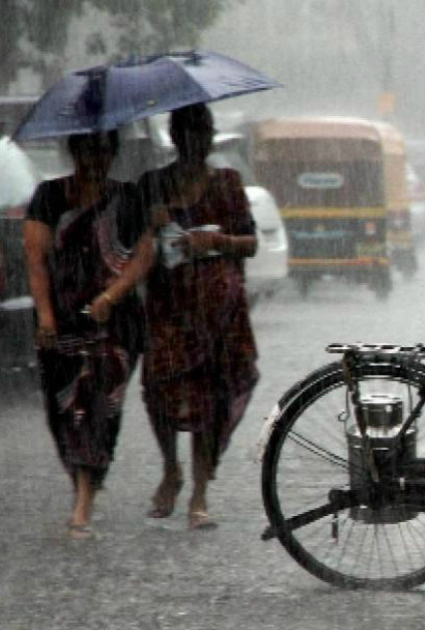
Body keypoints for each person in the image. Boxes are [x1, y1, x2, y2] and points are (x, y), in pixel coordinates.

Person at [23, 130, 154, 539]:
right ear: (73, 151)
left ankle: (83, 500)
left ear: (113, 153)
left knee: (98, 405)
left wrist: (111, 295)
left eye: (103, 150)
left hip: (114, 325)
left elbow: (143, 253)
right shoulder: (49, 197)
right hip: (61, 324)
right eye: (87, 150)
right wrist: (45, 314)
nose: (96, 158)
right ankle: (83, 476)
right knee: (62, 411)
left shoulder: (128, 198)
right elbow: (36, 259)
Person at [136, 103, 259, 530]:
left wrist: (218, 240)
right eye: (187, 132)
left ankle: (200, 494)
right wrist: (152, 224)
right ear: (175, 136)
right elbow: (134, 247)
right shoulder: (153, 184)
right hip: (168, 306)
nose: (196, 141)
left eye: (202, 131)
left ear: (209, 137)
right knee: (159, 386)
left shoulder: (227, 183)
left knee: (210, 397)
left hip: (218, 312)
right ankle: (171, 469)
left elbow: (251, 243)